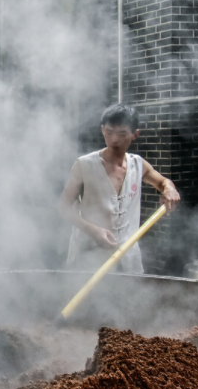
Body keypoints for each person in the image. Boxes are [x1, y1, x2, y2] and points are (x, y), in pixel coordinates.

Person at [58, 104, 180, 273]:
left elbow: (163, 182)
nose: (114, 139)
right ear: (102, 130)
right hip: (89, 257)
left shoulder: (137, 164)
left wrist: (170, 189)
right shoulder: (84, 165)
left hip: (128, 258)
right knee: (90, 299)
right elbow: (63, 207)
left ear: (135, 134)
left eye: (122, 134)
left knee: (130, 299)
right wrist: (93, 231)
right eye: (109, 132)